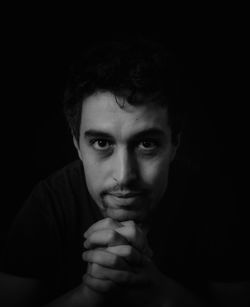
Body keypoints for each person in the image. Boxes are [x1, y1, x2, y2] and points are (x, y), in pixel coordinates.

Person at [0, 37, 249, 307]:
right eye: (102, 143)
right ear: (77, 145)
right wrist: (88, 296)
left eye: (146, 144)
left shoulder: (211, 203)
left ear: (174, 144)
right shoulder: (49, 203)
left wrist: (160, 293)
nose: (124, 175)